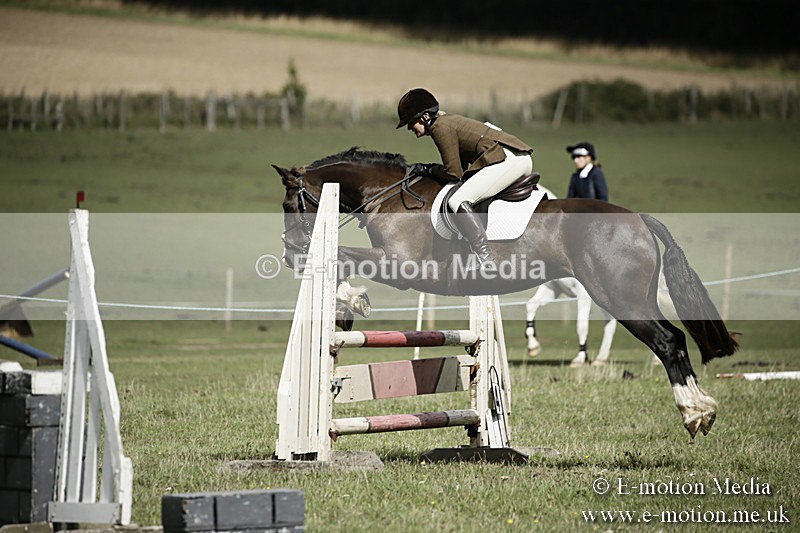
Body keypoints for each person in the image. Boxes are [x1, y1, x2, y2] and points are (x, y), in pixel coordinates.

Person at [396, 88, 533, 271]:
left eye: (411, 122)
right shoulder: (446, 121)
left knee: (457, 200)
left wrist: (428, 169)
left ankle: (485, 257)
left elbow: (454, 173)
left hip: (508, 160)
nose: (409, 128)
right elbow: (459, 169)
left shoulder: (440, 127)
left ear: (425, 117)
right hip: (514, 157)